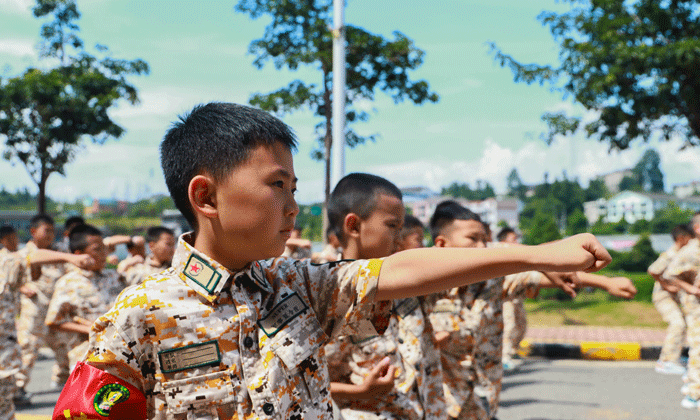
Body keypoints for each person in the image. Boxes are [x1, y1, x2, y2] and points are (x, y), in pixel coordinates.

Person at [52, 102, 611, 420]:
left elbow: (400, 272)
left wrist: (533, 255)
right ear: (206, 198)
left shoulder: (296, 285)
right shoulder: (139, 315)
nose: (294, 207)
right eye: (276, 186)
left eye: (295, 188)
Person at [325, 173, 446, 420]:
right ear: (354, 226)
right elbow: (307, 381)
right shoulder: (332, 297)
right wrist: (359, 391)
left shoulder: (406, 285)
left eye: (401, 229)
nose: (399, 239)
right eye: (392, 226)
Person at [0, 245, 93, 420]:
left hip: (3, 361)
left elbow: (33, 256)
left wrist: (69, 258)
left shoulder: (4, 264)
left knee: (4, 410)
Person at [45, 224, 126, 388]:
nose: (104, 254)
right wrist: (92, 329)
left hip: (119, 355)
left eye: (105, 249)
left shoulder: (114, 277)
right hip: (87, 358)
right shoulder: (69, 283)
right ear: (79, 254)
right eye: (98, 249)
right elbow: (54, 321)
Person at [14, 215, 69, 402]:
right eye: (47, 230)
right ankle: (18, 387)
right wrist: (22, 287)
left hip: (58, 309)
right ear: (33, 231)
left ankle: (64, 382)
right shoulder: (22, 254)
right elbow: (8, 280)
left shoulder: (60, 252)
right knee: (28, 348)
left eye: (53, 231)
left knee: (64, 347)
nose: (51, 235)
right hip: (35, 307)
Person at [648, 224, 693, 375]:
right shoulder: (670, 254)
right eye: (689, 237)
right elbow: (653, 270)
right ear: (681, 238)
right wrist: (666, 286)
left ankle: (675, 357)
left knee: (683, 324)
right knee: (677, 324)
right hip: (663, 297)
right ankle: (666, 361)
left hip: (673, 298)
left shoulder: (682, 253)